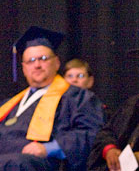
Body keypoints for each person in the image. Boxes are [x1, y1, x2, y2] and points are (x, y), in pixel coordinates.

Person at [0, 26, 104, 171]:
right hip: (7, 159)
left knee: (15, 163)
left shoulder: (77, 97)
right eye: (30, 61)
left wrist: (48, 148)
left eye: (43, 59)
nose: (37, 65)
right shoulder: (9, 104)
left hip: (43, 163)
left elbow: (92, 135)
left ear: (56, 63)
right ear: (23, 68)